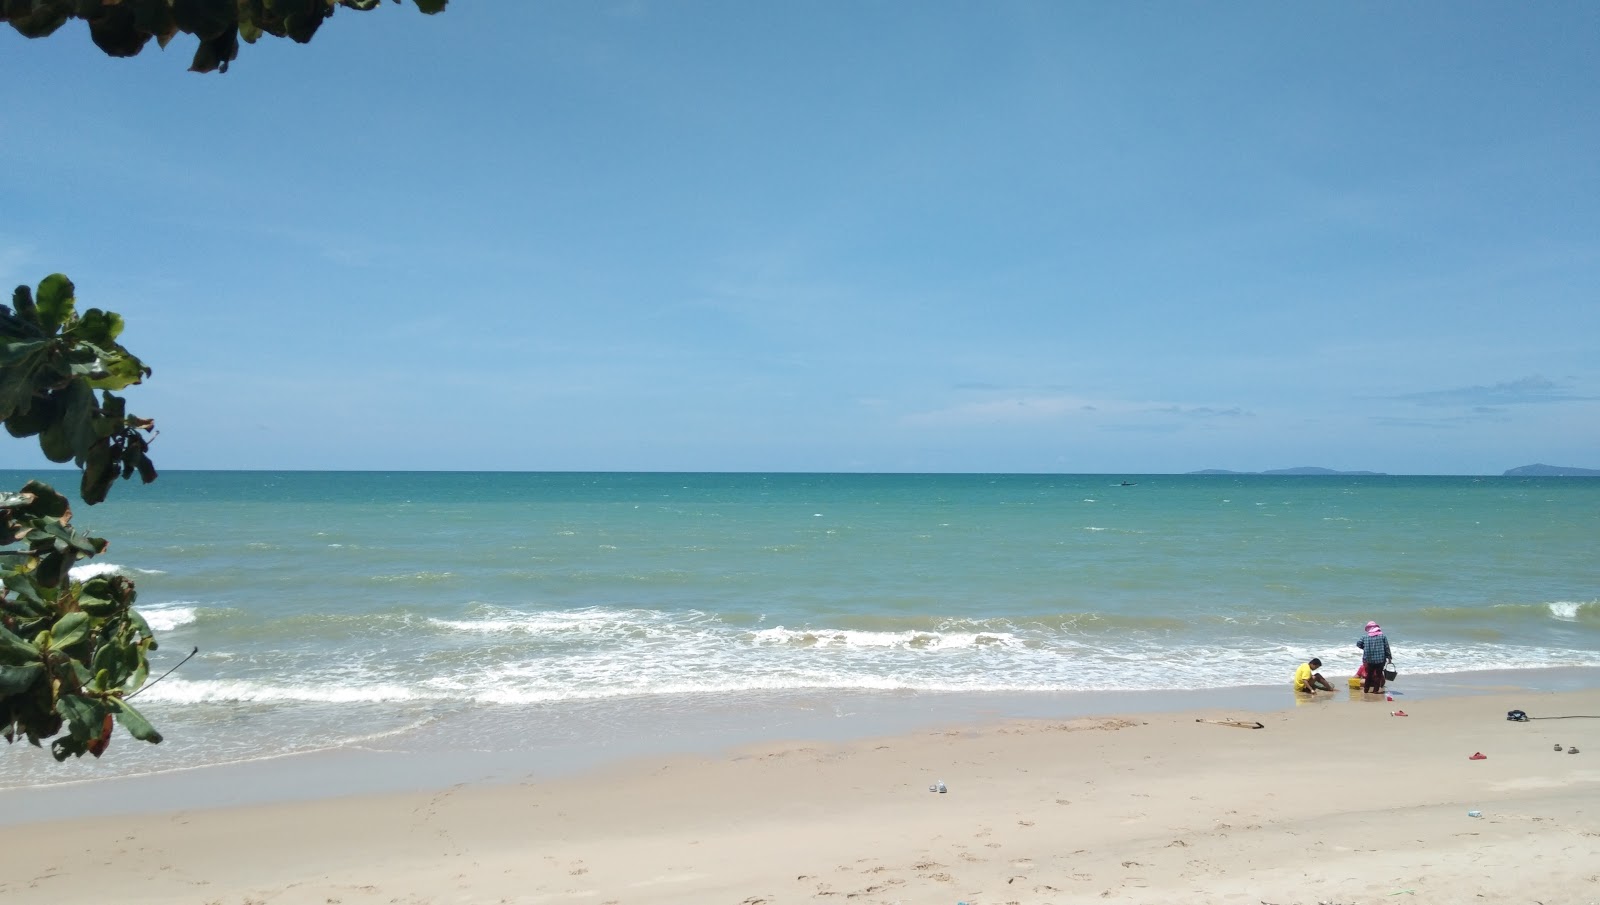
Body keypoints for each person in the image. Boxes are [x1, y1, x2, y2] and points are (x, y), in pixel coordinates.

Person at [1357, 621, 1393, 694]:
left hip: (1369, 659)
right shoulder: (1382, 636)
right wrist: (1389, 658)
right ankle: (1375, 691)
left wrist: (1365, 648)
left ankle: (1366, 690)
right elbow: (1386, 648)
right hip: (1381, 659)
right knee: (1378, 675)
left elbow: (1358, 644)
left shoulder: (1365, 637)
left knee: (1369, 675)